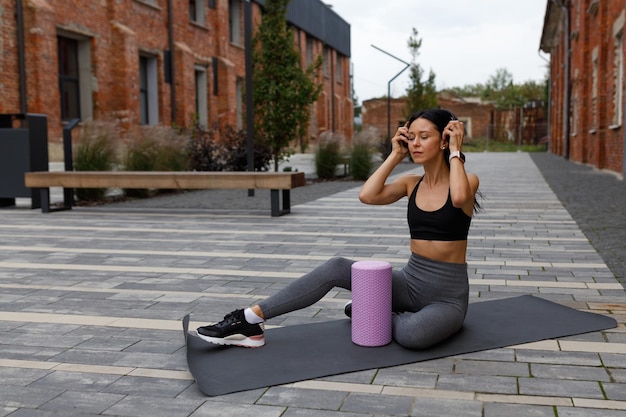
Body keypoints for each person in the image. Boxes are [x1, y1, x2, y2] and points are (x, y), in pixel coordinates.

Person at [196, 108, 480, 349]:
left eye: (425, 137)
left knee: (412, 335)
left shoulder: (468, 181)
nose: (415, 143)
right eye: (412, 137)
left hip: (446, 297)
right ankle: (249, 319)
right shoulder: (410, 183)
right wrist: (394, 155)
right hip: (410, 281)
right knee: (336, 266)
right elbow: (367, 195)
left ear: (443, 141)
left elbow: (457, 198)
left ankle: (370, 311)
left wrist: (456, 150)